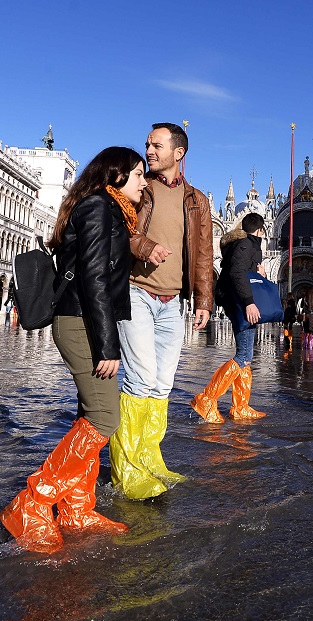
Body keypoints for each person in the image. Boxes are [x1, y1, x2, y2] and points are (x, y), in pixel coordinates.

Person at [0, 147, 146, 553]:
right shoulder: (99, 207)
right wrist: (107, 345)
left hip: (86, 320)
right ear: (115, 175)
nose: (143, 181)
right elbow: (94, 277)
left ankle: (77, 508)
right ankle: (33, 502)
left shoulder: (102, 208)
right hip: (83, 322)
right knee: (104, 418)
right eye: (137, 173)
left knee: (90, 412)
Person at [108, 122, 214, 500]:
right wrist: (143, 247)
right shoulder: (139, 187)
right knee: (140, 378)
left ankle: (150, 458)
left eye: (156, 145)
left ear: (178, 153)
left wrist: (203, 300)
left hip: (173, 302)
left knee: (162, 383)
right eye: (147, 145)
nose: (148, 151)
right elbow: (116, 228)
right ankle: (127, 469)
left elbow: (202, 254)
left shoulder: (197, 200)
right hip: (136, 291)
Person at [190, 213, 268, 424]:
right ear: (261, 230)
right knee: (243, 355)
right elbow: (236, 273)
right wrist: (249, 302)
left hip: (239, 301)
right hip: (241, 303)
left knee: (246, 356)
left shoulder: (242, 244)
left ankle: (241, 406)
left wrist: (258, 272)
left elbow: (243, 273)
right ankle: (206, 399)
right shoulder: (246, 245)